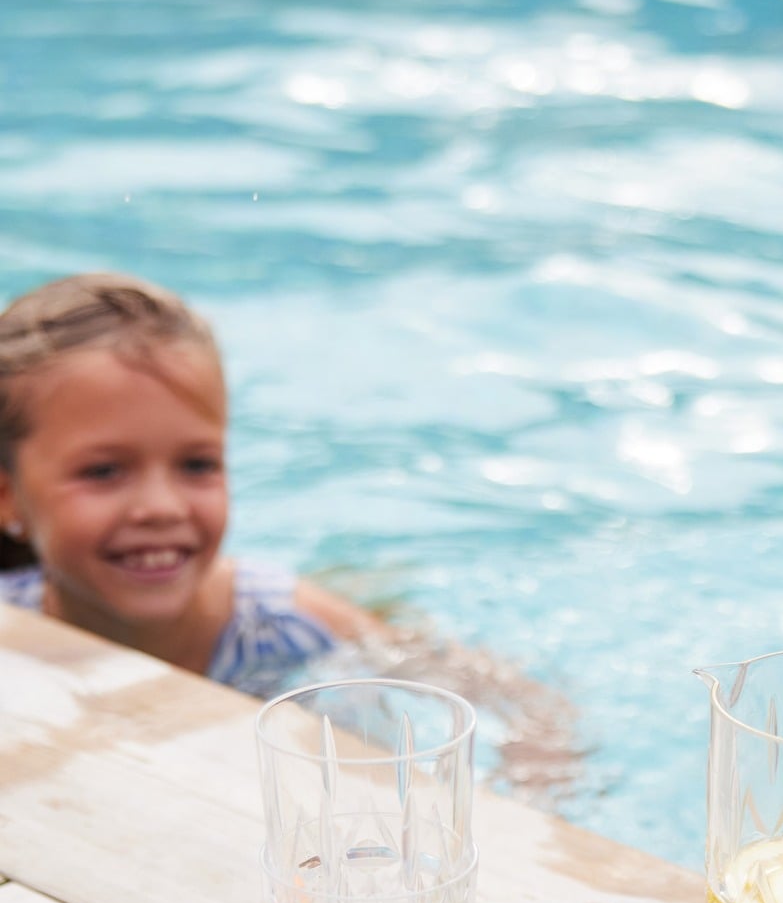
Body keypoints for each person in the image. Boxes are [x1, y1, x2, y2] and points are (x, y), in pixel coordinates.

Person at [0, 272, 581, 796]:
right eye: (104, 472)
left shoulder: (287, 625)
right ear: (9, 499)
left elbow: (523, 700)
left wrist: (527, 789)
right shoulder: (11, 625)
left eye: (197, 464)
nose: (161, 507)